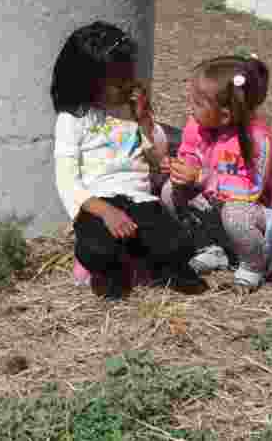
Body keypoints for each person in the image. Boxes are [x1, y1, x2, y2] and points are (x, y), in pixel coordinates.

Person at [50, 21, 205, 301]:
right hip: (99, 204)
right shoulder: (73, 119)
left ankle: (143, 260)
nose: (128, 85)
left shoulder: (131, 110)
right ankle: (115, 271)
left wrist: (145, 119)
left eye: (130, 77)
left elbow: (157, 158)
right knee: (96, 249)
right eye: (118, 81)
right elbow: (67, 181)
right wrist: (106, 212)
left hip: (141, 201)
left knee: (180, 245)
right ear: (90, 80)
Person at [168, 54, 272, 295]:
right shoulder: (198, 125)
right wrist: (181, 168)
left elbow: (250, 191)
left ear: (225, 115)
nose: (191, 107)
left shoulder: (257, 140)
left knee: (235, 212)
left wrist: (200, 177)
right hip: (219, 209)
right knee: (170, 190)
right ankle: (212, 248)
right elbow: (190, 153)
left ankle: (253, 265)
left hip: (261, 222)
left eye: (198, 103)